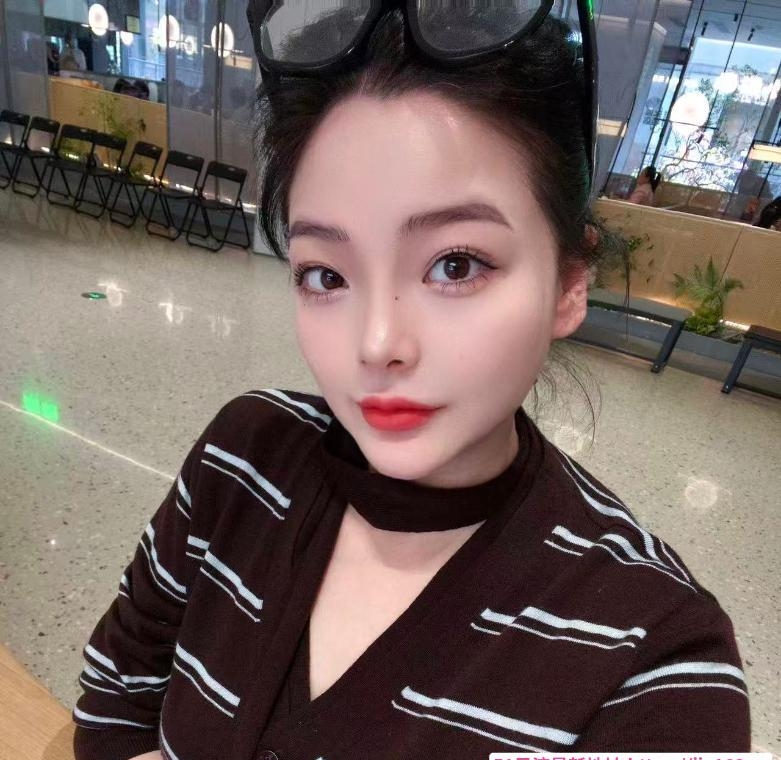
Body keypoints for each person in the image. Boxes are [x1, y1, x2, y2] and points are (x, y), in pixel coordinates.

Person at [71, 4, 751, 759]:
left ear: (568, 282)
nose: (377, 345)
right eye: (326, 275)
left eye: (455, 265)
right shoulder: (243, 460)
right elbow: (112, 708)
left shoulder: (652, 658)